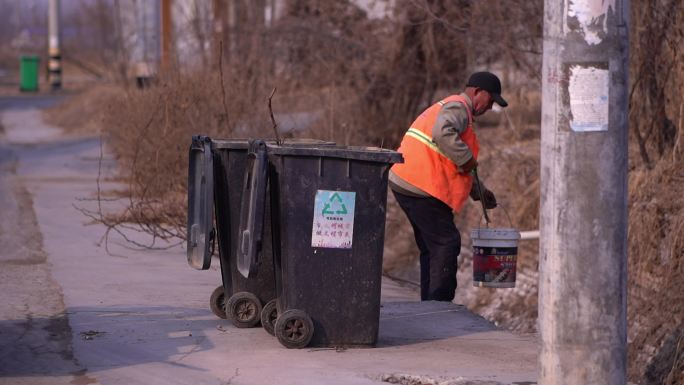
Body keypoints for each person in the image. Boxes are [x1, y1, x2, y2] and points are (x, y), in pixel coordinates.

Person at [389, 71, 507, 301]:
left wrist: (480, 192)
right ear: (476, 92)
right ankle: (440, 308)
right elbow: (443, 134)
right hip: (421, 186)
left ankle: (430, 306)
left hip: (408, 182)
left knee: (431, 247)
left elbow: (453, 162)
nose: (490, 107)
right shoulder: (459, 107)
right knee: (446, 243)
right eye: (490, 100)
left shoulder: (452, 109)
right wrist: (468, 159)